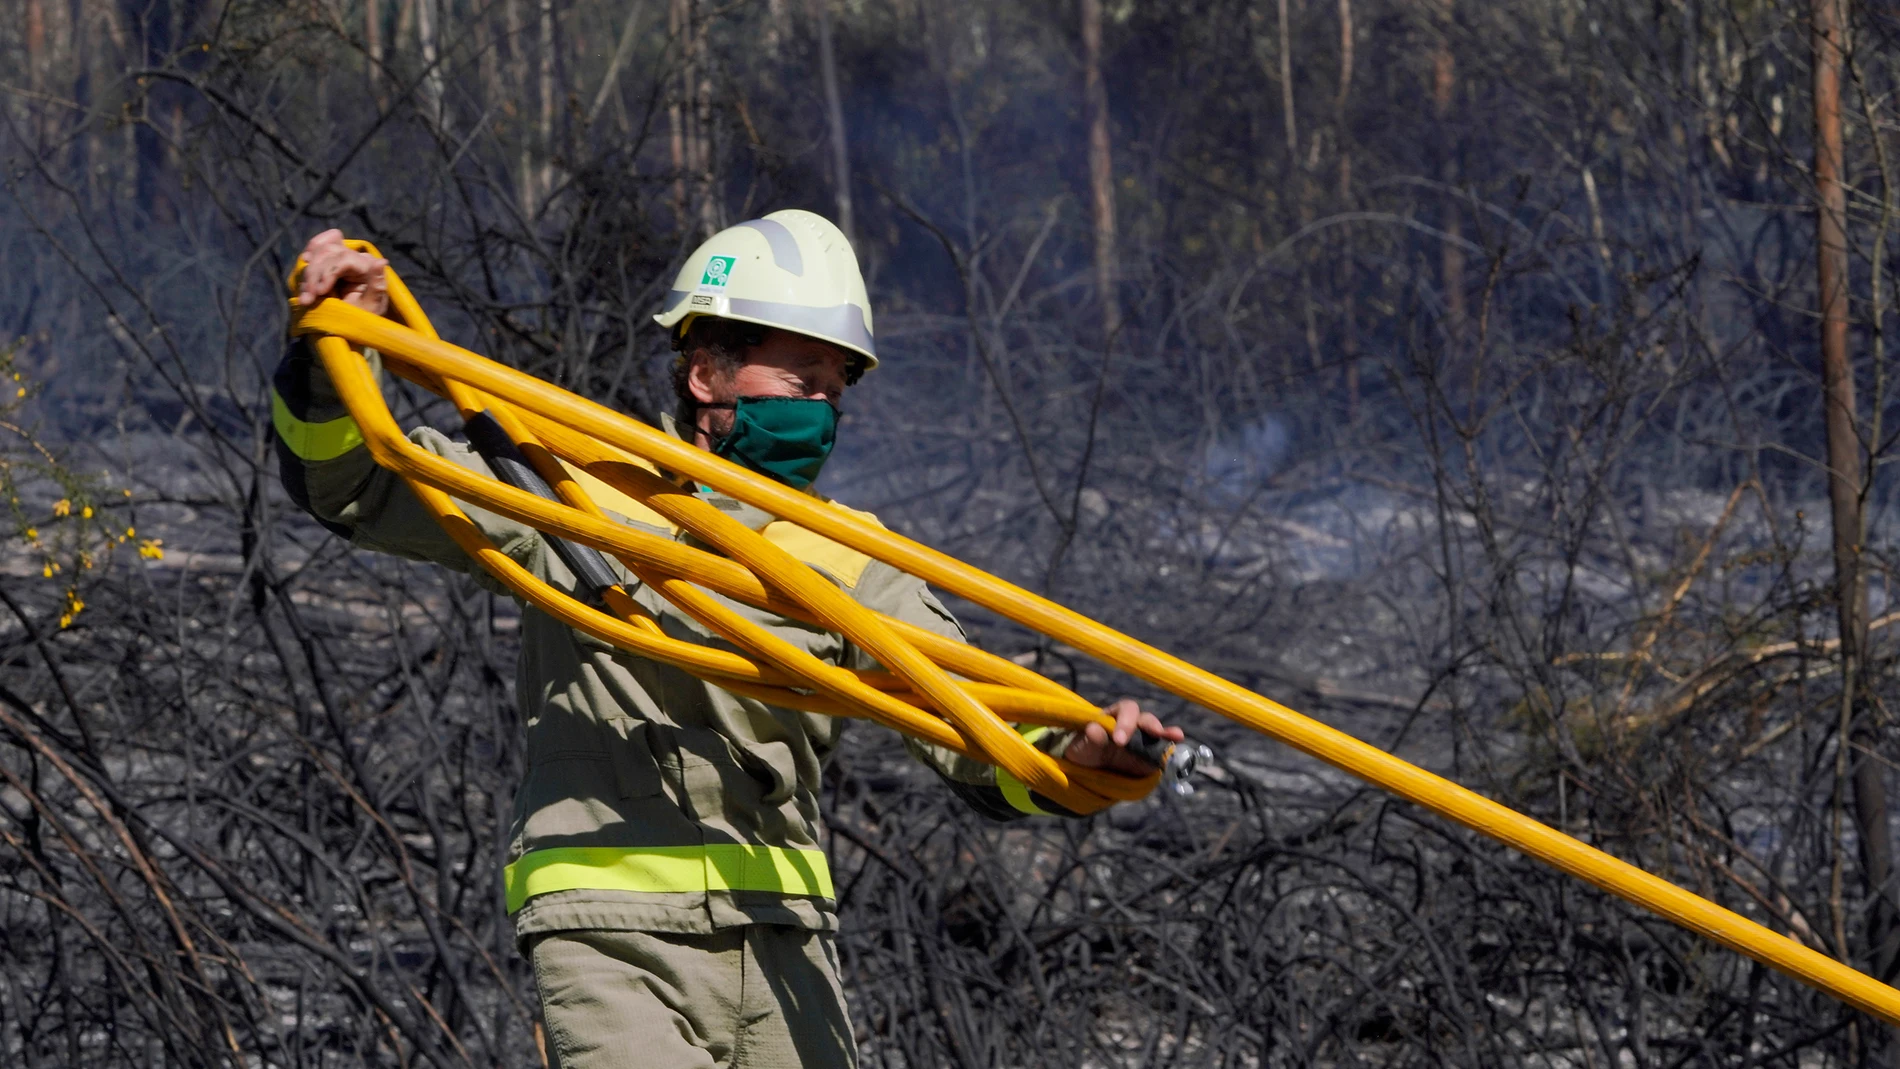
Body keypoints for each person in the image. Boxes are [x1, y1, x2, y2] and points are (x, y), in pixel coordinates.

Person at [273, 210, 1181, 1069]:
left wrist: (1081, 754)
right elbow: (356, 482)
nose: (820, 411)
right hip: (610, 932)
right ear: (707, 371)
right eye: (799, 381)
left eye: (835, 390)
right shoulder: (573, 488)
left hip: (785, 940)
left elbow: (966, 717)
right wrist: (330, 356)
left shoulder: (852, 556)